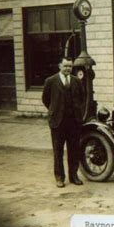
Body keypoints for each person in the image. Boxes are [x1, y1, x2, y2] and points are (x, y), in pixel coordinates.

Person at [42, 57, 84, 188]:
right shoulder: (51, 81)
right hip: (58, 123)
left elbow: (82, 98)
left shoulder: (77, 81)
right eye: (65, 66)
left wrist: (77, 113)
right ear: (60, 66)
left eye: (70, 66)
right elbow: (45, 99)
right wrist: (55, 111)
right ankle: (59, 177)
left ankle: (74, 176)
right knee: (58, 151)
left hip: (73, 122)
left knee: (74, 150)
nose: (68, 69)